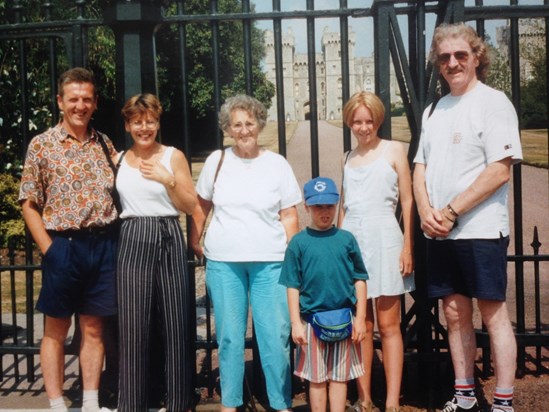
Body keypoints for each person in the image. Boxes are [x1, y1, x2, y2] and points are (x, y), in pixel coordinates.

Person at [413, 23, 522, 412]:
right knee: (454, 313)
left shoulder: (493, 102)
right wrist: (426, 212)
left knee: (493, 313)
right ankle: (464, 396)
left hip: (479, 228)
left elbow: (499, 170)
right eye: (444, 57)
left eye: (461, 55)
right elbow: (420, 168)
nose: (452, 63)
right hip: (441, 232)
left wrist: (450, 211)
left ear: (476, 57)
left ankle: (504, 401)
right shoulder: (434, 110)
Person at [190, 94, 301, 412]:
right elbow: (202, 206)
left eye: (249, 123)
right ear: (228, 128)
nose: (243, 130)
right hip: (225, 262)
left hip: (271, 262)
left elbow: (289, 214)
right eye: (236, 124)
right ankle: (231, 402)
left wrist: (294, 255)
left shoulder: (276, 164)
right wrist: (195, 238)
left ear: (259, 124)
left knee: (275, 338)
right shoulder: (217, 161)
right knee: (228, 337)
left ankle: (279, 402)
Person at [19, 67, 116, 412]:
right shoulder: (42, 145)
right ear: (61, 102)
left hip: (102, 246)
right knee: (55, 330)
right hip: (63, 246)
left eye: (86, 99)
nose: (80, 105)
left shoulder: (104, 143)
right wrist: (50, 249)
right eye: (73, 99)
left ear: (94, 103)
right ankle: (57, 403)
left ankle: (90, 401)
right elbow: (28, 204)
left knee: (92, 328)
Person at [115, 93, 197, 411]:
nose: (144, 127)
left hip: (167, 233)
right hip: (133, 234)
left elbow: (190, 205)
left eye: (150, 121)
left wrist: (169, 181)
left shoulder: (172, 156)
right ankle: (133, 403)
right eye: (137, 122)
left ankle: (179, 402)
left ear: (158, 122)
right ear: (128, 125)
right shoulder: (119, 159)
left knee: (175, 322)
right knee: (134, 326)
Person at [339, 91, 415, 412]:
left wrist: (408, 245)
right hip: (354, 240)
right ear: (349, 123)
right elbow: (345, 206)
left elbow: (408, 201)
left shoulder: (394, 149)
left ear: (378, 120)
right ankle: (365, 398)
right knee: (363, 326)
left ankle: (393, 400)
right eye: (357, 121)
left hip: (385, 237)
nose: (363, 127)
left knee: (389, 325)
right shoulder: (347, 157)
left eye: (369, 121)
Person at [280, 176, 368, 412]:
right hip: (312, 321)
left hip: (344, 319)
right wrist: (295, 323)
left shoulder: (346, 239)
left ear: (337, 204)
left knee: (340, 377)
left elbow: (360, 279)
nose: (325, 212)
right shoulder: (298, 243)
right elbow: (292, 285)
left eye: (329, 205)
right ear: (306, 206)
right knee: (317, 379)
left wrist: (360, 318)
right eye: (318, 206)